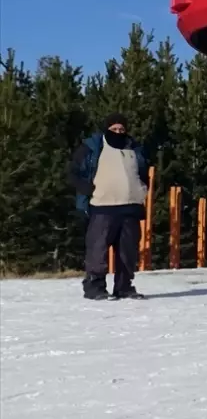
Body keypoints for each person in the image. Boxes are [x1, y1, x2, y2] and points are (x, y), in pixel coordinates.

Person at [68, 113, 150, 300]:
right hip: (102, 206)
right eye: (114, 129)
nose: (118, 132)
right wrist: (84, 187)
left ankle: (124, 287)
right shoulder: (92, 147)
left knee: (127, 253)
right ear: (107, 129)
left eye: (122, 129)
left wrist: (143, 189)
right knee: (98, 250)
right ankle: (94, 288)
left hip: (130, 207)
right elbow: (73, 171)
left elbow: (144, 171)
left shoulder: (134, 148)